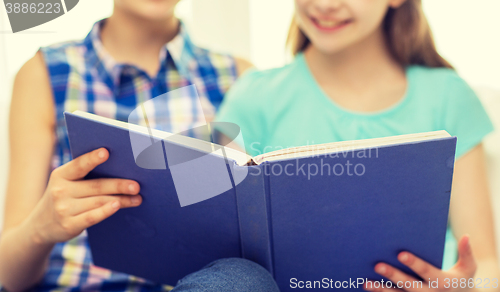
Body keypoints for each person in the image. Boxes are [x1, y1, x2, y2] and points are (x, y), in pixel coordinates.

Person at [216, 0, 499, 290]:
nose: (325, 5)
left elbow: (485, 266)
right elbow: (218, 246)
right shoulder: (252, 97)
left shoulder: (448, 97)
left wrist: (467, 288)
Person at [0, 0, 281, 291]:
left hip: (199, 284)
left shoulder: (237, 77)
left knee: (246, 278)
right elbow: (11, 276)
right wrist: (40, 229)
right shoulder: (46, 73)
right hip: (74, 284)